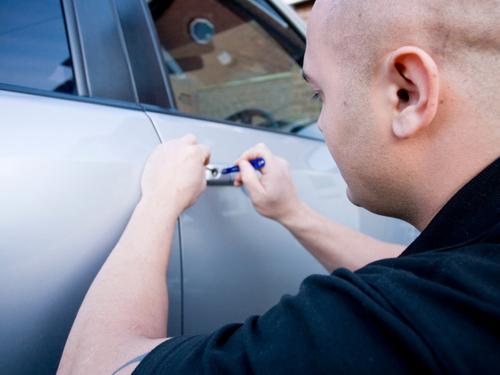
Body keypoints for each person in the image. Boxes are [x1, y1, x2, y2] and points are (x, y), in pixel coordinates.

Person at [57, 0, 500, 373]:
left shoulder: (388, 329)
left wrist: (158, 201)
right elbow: (427, 274)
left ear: (407, 93)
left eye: (318, 95)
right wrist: (292, 213)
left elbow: (94, 367)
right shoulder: (466, 286)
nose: (322, 125)